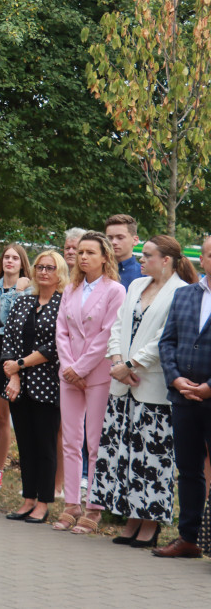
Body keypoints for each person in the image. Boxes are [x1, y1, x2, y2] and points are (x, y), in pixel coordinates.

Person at [91, 235, 196, 548]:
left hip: (151, 386)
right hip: (122, 383)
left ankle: (150, 523)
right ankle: (130, 517)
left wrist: (133, 364)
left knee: (152, 458)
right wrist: (117, 361)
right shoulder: (136, 286)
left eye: (146, 255)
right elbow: (118, 327)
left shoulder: (180, 291)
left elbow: (165, 337)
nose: (140, 260)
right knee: (122, 456)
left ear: (165, 260)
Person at [53, 231, 126, 533]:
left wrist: (81, 369)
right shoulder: (71, 288)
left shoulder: (114, 291)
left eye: (90, 253)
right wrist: (69, 367)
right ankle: (71, 503)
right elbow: (61, 331)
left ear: (105, 257)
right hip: (69, 373)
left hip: (97, 375)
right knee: (71, 441)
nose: (82, 257)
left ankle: (94, 507)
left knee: (94, 442)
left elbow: (106, 335)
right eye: (80, 252)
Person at [0, 251, 68, 524]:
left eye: (50, 267)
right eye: (40, 267)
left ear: (60, 272)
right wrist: (13, 375)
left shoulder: (64, 304)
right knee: (25, 445)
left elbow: (55, 346)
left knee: (45, 446)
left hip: (47, 384)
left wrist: (19, 365)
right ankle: (28, 498)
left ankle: (43, 502)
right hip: (19, 385)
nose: (43, 272)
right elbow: (8, 340)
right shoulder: (23, 301)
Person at [155, 236, 211, 558]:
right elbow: (168, 342)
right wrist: (176, 379)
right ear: (201, 260)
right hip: (184, 398)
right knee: (188, 471)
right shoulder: (184, 295)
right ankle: (188, 539)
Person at [0, 244, 31, 488]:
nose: (10, 261)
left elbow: (15, 319)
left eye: (15, 258)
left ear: (23, 263)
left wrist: (18, 292)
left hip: (10, 352)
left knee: (2, 415)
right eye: (6, 257)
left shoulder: (29, 290)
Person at [105, 214, 142, 288]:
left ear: (135, 240)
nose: (113, 242)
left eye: (120, 237)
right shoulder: (95, 271)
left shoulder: (144, 275)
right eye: (109, 238)